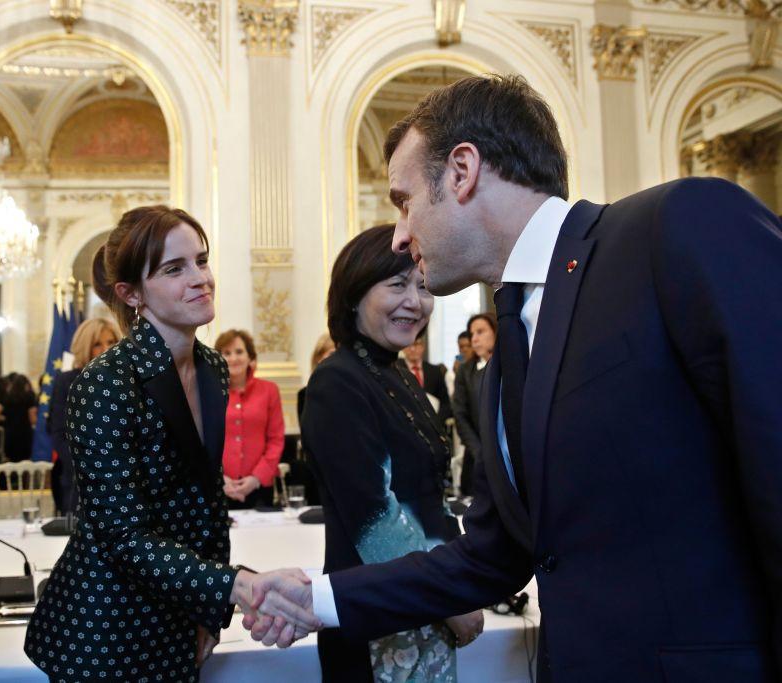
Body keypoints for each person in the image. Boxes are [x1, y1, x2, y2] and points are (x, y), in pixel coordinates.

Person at [245, 74, 782, 682]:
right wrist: (313, 600)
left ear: (463, 170)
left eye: (403, 199)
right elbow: (496, 555)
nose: (399, 233)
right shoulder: (510, 347)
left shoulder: (672, 229)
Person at [24, 205, 318, 681]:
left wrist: (207, 612)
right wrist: (233, 586)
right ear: (131, 293)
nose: (201, 278)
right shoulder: (104, 383)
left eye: (202, 260)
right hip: (106, 630)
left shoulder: (213, 367)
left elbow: (206, 506)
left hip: (179, 611)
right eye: (174, 268)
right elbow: (122, 537)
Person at [302, 224, 482, 681]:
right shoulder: (336, 380)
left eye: (423, 286)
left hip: (424, 603)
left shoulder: (398, 374)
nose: (415, 302)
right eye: (397, 284)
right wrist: (449, 599)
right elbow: (375, 516)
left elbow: (428, 497)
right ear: (355, 292)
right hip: (379, 615)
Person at [48, 316, 121, 515]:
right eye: (98, 344)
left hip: (123, 481)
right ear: (85, 347)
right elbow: (59, 434)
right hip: (79, 482)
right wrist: (88, 467)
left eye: (111, 342)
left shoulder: (126, 381)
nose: (106, 349)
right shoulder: (67, 382)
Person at [215, 329, 285, 508]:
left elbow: (276, 440)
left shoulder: (270, 390)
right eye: (227, 353)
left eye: (239, 351)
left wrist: (256, 478)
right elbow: (203, 442)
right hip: (219, 487)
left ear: (250, 357)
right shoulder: (210, 392)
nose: (233, 358)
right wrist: (219, 478)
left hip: (259, 487)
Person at [451, 312, 496, 497]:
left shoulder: (513, 364)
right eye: (472, 334)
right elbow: (459, 414)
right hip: (477, 458)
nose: (474, 339)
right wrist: (479, 452)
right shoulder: (465, 372)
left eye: (480, 332)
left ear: (495, 331)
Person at [403, 334, 454, 428]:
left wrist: (436, 423)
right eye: (409, 344)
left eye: (417, 344)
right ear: (403, 347)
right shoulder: (395, 369)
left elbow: (445, 404)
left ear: (423, 347)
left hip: (434, 426)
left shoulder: (435, 371)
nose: (413, 349)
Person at [0, 372, 37, 462]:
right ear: (26, 385)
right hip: (25, 434)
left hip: (10, 433)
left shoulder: (7, 397)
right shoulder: (29, 397)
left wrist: (7, 418)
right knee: (25, 462)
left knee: (12, 461)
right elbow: (32, 419)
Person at [296, 332, 335, 418]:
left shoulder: (352, 390)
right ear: (318, 358)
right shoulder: (304, 395)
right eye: (332, 354)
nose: (338, 359)